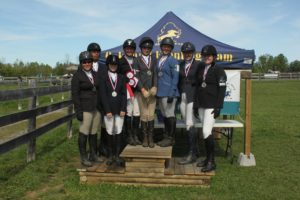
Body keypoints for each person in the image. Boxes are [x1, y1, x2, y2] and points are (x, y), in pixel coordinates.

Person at [193, 44, 227, 172]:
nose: (206, 57)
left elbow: (222, 89)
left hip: (211, 106)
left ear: (214, 56)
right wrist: (196, 105)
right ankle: (207, 159)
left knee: (207, 132)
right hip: (201, 104)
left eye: (209, 55)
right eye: (204, 55)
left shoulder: (219, 70)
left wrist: (219, 106)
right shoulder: (201, 68)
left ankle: (212, 161)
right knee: (205, 131)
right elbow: (197, 87)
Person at [71, 51, 103, 167]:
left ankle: (93, 155)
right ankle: (84, 157)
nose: (87, 64)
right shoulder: (77, 76)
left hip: (96, 108)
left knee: (94, 133)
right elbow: (75, 95)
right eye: (84, 62)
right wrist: (78, 111)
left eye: (89, 61)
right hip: (85, 109)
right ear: (81, 63)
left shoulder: (95, 74)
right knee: (84, 133)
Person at [99, 55, 127, 166]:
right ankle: (110, 155)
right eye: (111, 64)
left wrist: (123, 108)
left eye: (115, 65)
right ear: (108, 65)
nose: (113, 66)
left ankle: (117, 155)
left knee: (119, 131)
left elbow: (124, 94)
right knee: (110, 131)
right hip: (109, 110)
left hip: (120, 110)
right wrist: (107, 110)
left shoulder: (121, 77)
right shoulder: (103, 77)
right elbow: (103, 95)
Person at [178, 42, 200, 164]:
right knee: (188, 124)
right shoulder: (180, 65)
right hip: (183, 97)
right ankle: (196, 151)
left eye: (189, 52)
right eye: (185, 52)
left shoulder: (199, 64)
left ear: (193, 53)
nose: (187, 54)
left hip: (193, 97)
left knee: (190, 123)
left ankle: (191, 154)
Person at [156, 37, 180, 147]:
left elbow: (175, 78)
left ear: (171, 49)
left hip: (169, 92)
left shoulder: (173, 61)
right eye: (164, 46)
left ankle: (171, 138)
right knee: (165, 115)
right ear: (161, 47)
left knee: (170, 115)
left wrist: (172, 92)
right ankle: (166, 136)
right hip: (161, 93)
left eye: (168, 47)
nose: (166, 48)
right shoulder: (159, 59)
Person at [87, 42, 108, 157]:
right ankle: (92, 150)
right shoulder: (85, 67)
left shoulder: (104, 67)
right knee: (92, 128)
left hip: (102, 101)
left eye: (97, 52)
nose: (96, 54)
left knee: (104, 126)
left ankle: (103, 147)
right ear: (89, 53)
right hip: (90, 102)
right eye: (94, 52)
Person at [135, 37, 157, 148]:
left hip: (152, 92)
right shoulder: (137, 60)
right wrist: (142, 89)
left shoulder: (154, 59)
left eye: (149, 48)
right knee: (144, 115)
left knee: (151, 114)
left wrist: (155, 86)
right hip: (142, 92)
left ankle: (151, 137)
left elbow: (155, 74)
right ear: (141, 48)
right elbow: (136, 76)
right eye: (144, 47)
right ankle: (145, 137)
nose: (146, 49)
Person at [118, 39, 141, 146]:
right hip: (126, 92)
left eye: (131, 48)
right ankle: (128, 135)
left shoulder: (137, 60)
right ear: (124, 49)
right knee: (128, 113)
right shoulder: (120, 61)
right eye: (127, 48)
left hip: (137, 91)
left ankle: (135, 135)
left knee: (136, 113)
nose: (129, 50)